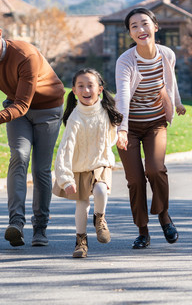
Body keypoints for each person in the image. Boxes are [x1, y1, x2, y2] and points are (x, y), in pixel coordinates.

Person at [0, 11, 65, 247]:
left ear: (0, 33)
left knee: (40, 168)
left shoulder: (25, 55)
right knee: (19, 156)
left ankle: (40, 228)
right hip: (17, 109)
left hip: (48, 110)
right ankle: (16, 224)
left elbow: (22, 104)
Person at [115, 7, 187, 249]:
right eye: (134, 26)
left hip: (156, 122)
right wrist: (122, 129)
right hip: (130, 127)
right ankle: (143, 231)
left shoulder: (167, 54)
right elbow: (123, 95)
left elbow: (170, 80)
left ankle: (164, 216)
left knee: (156, 169)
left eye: (144, 23)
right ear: (130, 34)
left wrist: (176, 103)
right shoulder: (125, 61)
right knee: (135, 180)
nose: (140, 29)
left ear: (155, 27)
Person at [53, 68, 123, 258]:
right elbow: (65, 150)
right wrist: (66, 179)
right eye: (80, 86)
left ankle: (100, 219)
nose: (86, 90)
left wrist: (119, 137)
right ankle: (81, 242)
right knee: (82, 205)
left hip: (100, 163)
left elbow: (111, 134)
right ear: (74, 91)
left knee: (100, 190)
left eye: (90, 86)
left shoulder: (106, 111)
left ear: (99, 89)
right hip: (79, 166)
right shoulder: (75, 117)